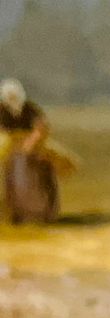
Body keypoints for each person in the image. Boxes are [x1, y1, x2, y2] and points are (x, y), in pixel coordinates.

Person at [0, 78, 58, 223]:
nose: (12, 99)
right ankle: (17, 212)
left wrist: (30, 142)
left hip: (34, 147)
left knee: (40, 171)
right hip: (12, 148)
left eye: (14, 95)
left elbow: (41, 127)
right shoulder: (2, 110)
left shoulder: (30, 108)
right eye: (9, 96)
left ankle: (43, 213)